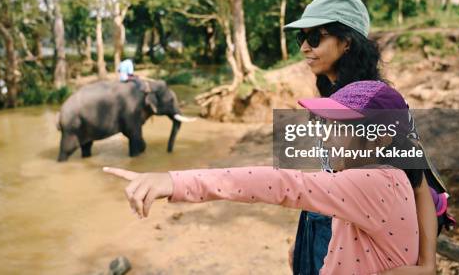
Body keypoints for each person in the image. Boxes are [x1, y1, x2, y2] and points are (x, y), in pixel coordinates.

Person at [103, 81, 425, 274]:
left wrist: (174, 182)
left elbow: (284, 185)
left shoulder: (377, 182)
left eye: (339, 126)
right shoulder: (367, 180)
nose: (326, 136)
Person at [281, 0, 451, 274]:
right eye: (302, 39)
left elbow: (418, 182)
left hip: (362, 227)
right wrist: (305, 235)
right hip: (329, 219)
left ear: (346, 41)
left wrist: (427, 265)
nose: (304, 49)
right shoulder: (331, 95)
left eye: (314, 39)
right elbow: (332, 170)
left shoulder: (376, 102)